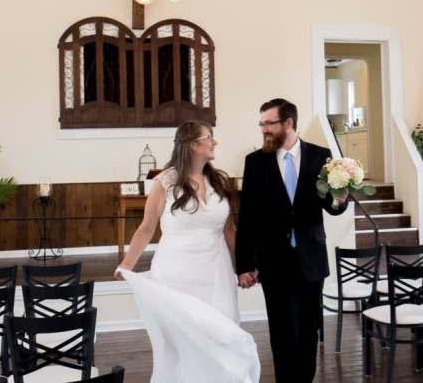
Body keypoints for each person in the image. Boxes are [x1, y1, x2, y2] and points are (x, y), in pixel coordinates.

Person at [114, 120, 260, 383]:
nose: (214, 142)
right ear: (193, 145)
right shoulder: (165, 182)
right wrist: (126, 264)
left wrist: (243, 267)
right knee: (182, 344)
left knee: (222, 337)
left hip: (216, 274)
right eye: (209, 138)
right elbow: (146, 228)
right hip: (177, 274)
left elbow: (229, 230)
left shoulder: (219, 180)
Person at [236, 98, 349, 383]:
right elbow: (247, 217)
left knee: (310, 332)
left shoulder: (321, 156)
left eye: (268, 123)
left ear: (288, 123)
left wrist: (340, 199)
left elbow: (333, 207)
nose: (263, 129)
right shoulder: (255, 162)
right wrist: (244, 265)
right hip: (273, 262)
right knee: (282, 334)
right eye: (261, 123)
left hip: (311, 259)